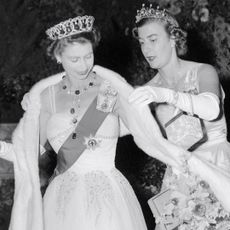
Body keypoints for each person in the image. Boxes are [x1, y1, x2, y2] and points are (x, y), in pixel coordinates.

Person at [0, 15, 149, 230]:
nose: (84, 66)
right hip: (63, 200)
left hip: (109, 198)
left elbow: (145, 132)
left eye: (88, 56)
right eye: (74, 59)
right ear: (58, 57)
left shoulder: (110, 90)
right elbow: (28, 155)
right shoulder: (46, 97)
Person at [89, 4, 230, 229]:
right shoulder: (147, 91)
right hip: (179, 180)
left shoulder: (203, 72)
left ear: (173, 39)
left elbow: (211, 109)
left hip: (218, 167)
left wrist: (167, 95)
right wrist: (100, 100)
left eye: (153, 39)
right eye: (142, 42)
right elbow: (119, 129)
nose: (146, 49)